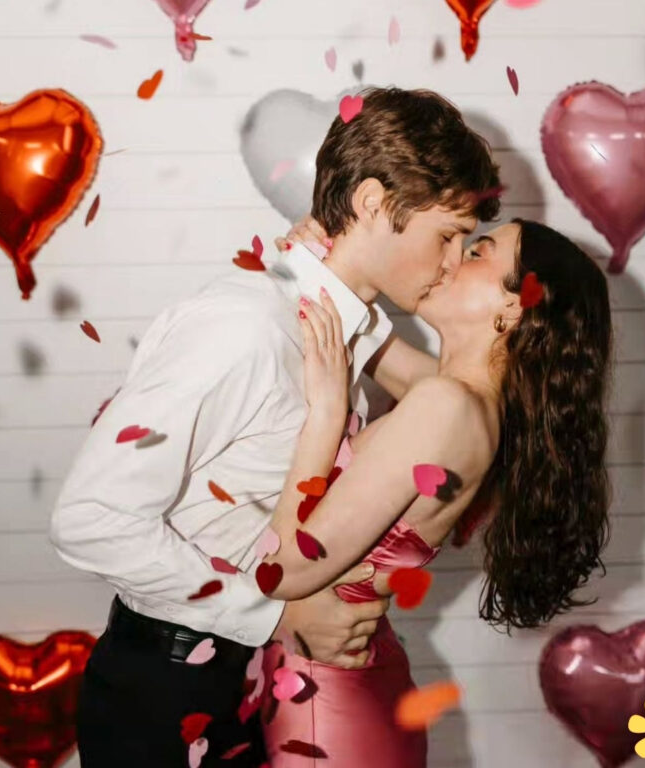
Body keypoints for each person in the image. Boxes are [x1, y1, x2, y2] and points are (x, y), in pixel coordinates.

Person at [49, 85, 501, 767]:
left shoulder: (343, 336)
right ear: (375, 203)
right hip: (165, 695)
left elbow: (453, 410)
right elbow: (89, 517)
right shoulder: (247, 329)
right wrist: (276, 613)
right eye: (447, 236)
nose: (450, 264)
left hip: (268, 689)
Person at [256, 216, 613, 767]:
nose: (448, 259)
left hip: (326, 707)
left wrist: (327, 418)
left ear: (516, 306)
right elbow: (369, 337)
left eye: (477, 253)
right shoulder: (472, 404)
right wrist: (310, 260)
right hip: (344, 680)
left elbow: (284, 570)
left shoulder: (445, 407)